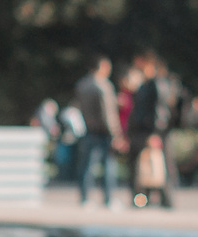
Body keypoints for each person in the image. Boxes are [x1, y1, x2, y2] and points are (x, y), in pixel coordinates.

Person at [125, 51, 179, 210]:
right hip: (144, 131)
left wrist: (155, 132)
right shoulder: (146, 84)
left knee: (158, 167)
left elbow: (160, 110)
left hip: (151, 132)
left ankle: (165, 200)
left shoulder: (156, 84)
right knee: (145, 167)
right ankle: (144, 199)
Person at [75, 57, 120, 208]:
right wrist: (115, 133)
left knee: (87, 166)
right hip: (104, 132)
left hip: (88, 130)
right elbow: (108, 113)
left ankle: (85, 198)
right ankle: (108, 199)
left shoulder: (82, 85)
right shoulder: (104, 86)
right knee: (108, 165)